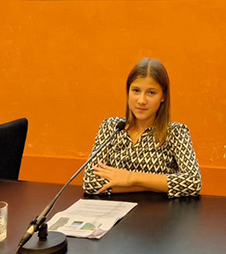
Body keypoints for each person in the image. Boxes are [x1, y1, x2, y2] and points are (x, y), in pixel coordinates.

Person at [83, 58, 201, 198]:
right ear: (128, 92)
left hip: (158, 211)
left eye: (151, 93)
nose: (141, 100)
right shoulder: (111, 127)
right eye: (136, 91)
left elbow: (193, 182)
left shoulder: (176, 132)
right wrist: (156, 186)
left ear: (163, 96)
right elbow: (90, 183)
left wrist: (130, 178)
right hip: (113, 210)